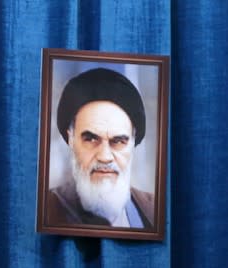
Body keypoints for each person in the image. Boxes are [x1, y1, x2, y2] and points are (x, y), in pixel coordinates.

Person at [46, 67, 155, 229]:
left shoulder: (154, 209)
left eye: (118, 141)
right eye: (90, 139)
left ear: (133, 143)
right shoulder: (46, 208)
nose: (104, 157)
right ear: (70, 138)